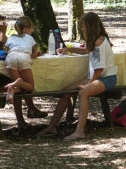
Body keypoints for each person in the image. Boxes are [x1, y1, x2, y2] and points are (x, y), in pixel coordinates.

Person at [37, 12, 117, 141]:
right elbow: (86, 50)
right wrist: (68, 49)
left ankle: (80, 131)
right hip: (96, 77)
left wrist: (88, 84)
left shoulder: (99, 41)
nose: (82, 29)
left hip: (106, 78)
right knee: (66, 91)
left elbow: (100, 68)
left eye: (83, 26)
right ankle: (52, 126)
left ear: (89, 26)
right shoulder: (95, 40)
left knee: (83, 93)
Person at [0, 12, 47, 119]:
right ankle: (28, 111)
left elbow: (6, 49)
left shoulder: (8, 37)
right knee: (25, 85)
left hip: (5, 70)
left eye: (1, 25)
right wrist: (2, 32)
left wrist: (1, 33)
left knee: (18, 85)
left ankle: (26, 113)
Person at [4, 16, 40, 107]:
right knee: (30, 87)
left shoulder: (11, 37)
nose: (31, 32)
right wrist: (36, 54)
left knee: (19, 87)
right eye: (31, 30)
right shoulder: (29, 37)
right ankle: (19, 82)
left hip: (11, 56)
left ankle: (13, 89)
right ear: (26, 30)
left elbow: (5, 49)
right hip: (24, 57)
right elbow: (34, 52)